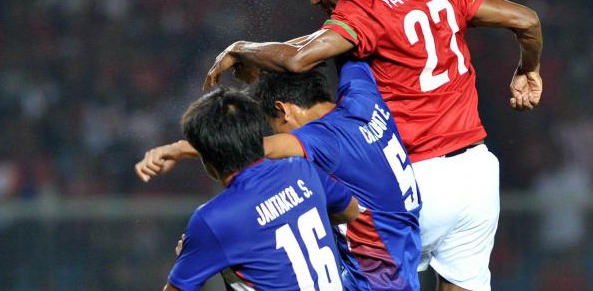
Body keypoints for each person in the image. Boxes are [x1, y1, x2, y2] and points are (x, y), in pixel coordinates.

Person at [201, 0, 543, 291]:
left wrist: (241, 48)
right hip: (477, 177)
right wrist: (528, 68)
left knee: (305, 255)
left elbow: (303, 58)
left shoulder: (364, 8)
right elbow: (527, 20)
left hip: (413, 181)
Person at [138, 60, 422, 291]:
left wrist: (179, 148)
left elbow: (265, 148)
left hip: (379, 277)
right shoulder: (308, 166)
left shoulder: (214, 219)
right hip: (409, 247)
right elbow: (349, 211)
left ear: (282, 110)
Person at [163, 87, 359, 291]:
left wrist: (197, 256)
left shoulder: (214, 219)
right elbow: (350, 210)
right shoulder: (302, 169)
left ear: (207, 160)